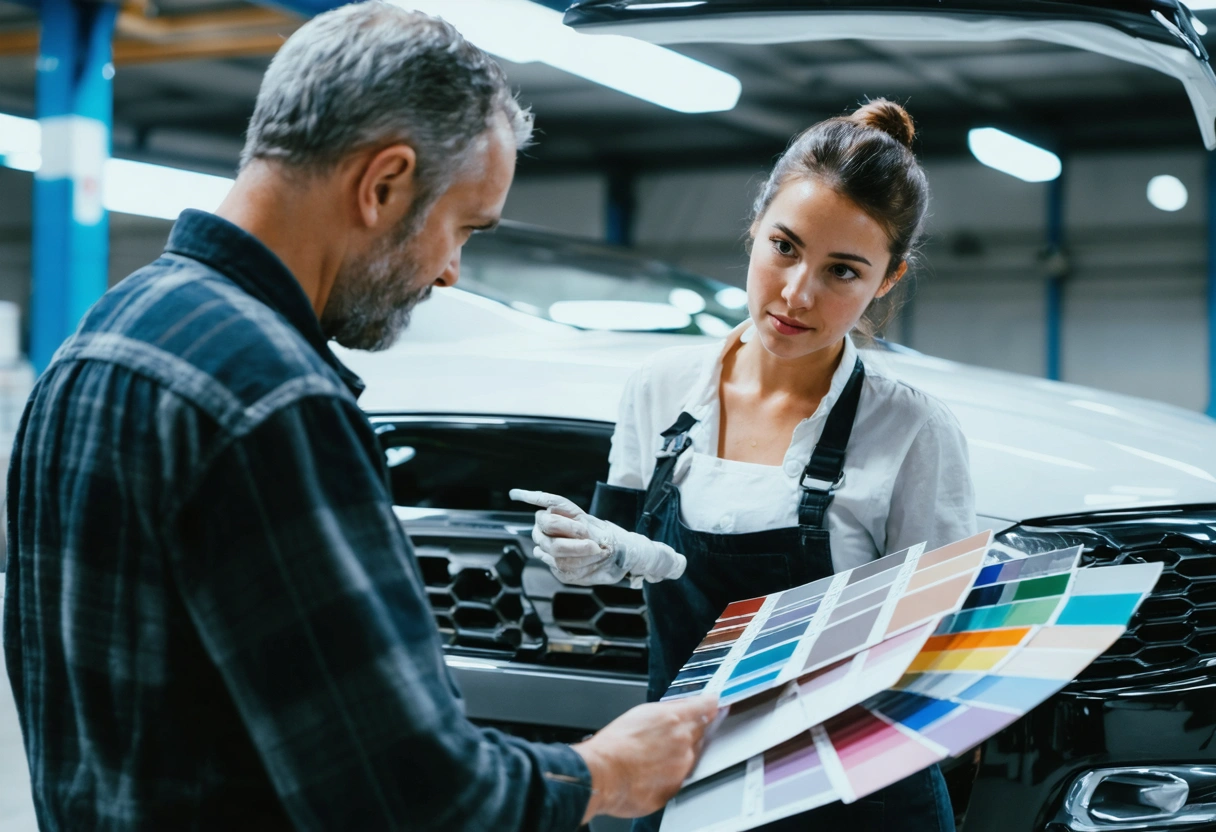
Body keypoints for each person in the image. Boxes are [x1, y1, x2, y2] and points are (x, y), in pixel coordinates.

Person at [2, 4, 717, 830]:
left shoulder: (103, 335)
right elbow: (411, 802)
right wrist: (608, 772)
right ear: (383, 185)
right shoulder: (272, 398)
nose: (451, 272)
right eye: (462, 227)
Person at [513, 100, 976, 831]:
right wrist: (587, 551)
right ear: (756, 228)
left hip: (853, 797)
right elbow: (626, 550)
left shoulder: (912, 430)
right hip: (684, 776)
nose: (797, 294)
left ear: (887, 280)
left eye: (843, 272)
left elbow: (937, 653)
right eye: (784, 248)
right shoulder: (660, 389)